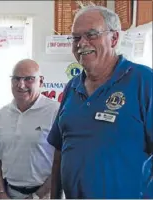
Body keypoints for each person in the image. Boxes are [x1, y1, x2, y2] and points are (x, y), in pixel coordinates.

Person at [47, 5, 153, 199]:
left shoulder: (143, 80)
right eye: (76, 38)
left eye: (91, 35)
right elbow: (60, 151)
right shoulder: (72, 87)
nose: (81, 43)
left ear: (114, 38)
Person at [0, 59, 59, 199]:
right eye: (16, 78)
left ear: (40, 81)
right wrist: (1, 193)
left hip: (46, 195)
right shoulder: (1, 114)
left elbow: (63, 161)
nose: (21, 85)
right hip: (10, 195)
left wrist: (37, 196)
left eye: (29, 79)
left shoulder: (56, 111)